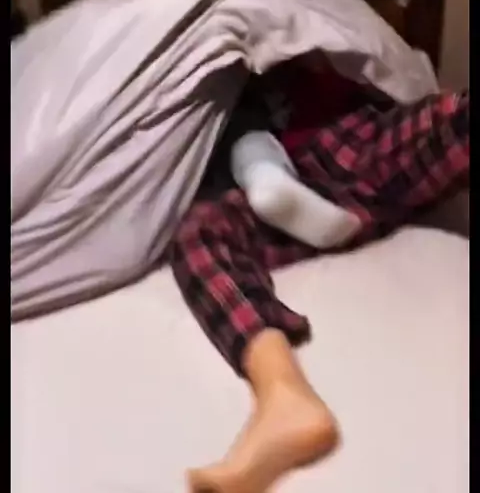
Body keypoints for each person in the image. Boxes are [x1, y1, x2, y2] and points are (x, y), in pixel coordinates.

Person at [170, 57, 469, 493]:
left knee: (452, 118)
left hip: (351, 145)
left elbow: (379, 64)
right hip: (279, 183)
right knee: (199, 233)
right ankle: (284, 396)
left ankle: (275, 182)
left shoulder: (319, 54)